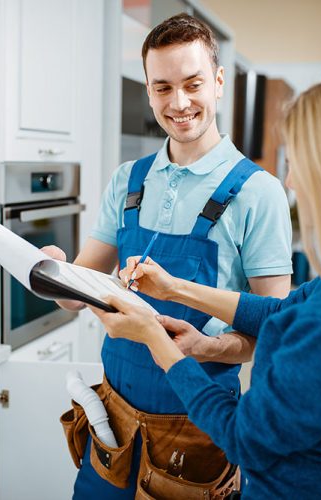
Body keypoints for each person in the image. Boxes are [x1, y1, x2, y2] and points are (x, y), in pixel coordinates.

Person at [91, 70, 321, 499]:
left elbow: (244, 437)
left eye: (300, 161)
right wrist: (175, 289)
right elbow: (279, 311)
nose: (292, 181)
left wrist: (156, 338)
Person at [46, 13, 292, 499]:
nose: (178, 103)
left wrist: (205, 347)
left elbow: (276, 334)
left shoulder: (258, 194)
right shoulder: (127, 180)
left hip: (196, 430)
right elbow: (79, 293)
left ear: (219, 83)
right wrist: (52, 275)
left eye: (193, 83)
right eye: (162, 88)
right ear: (148, 89)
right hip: (110, 424)